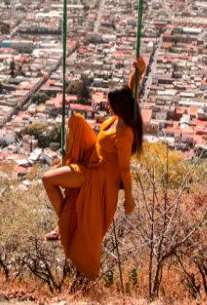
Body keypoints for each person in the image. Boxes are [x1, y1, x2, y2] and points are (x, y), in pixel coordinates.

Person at [41, 57, 146, 280]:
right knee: (77, 122)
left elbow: (125, 170)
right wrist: (138, 72)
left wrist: (129, 198)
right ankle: (66, 220)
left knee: (48, 179)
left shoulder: (125, 133)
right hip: (93, 160)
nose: (106, 106)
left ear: (118, 106)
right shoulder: (120, 116)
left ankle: (65, 223)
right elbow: (131, 91)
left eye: (110, 104)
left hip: (98, 176)